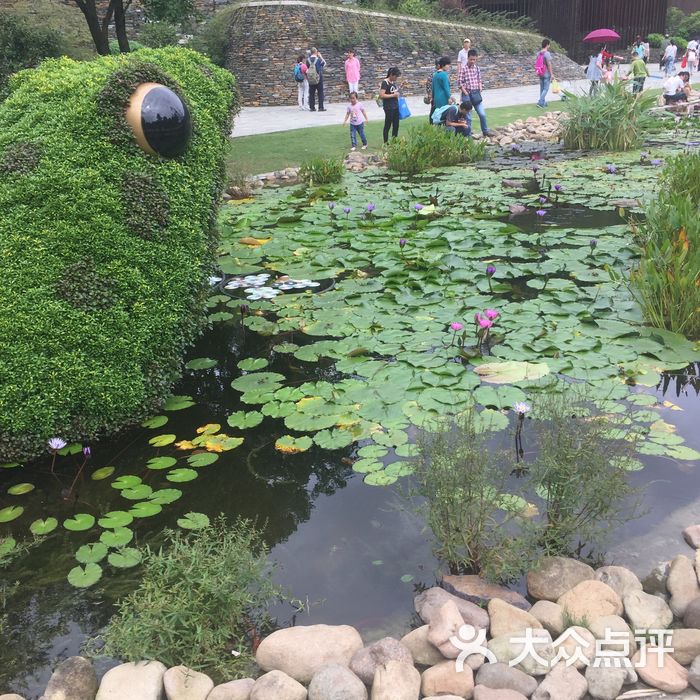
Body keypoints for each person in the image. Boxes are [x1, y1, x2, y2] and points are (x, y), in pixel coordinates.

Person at [458, 49, 492, 136]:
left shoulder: (477, 68)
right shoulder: (463, 69)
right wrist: (465, 92)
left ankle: (485, 131)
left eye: (474, 59)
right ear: (468, 58)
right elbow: (459, 82)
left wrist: (480, 87)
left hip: (476, 94)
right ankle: (468, 134)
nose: (473, 61)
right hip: (467, 95)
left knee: (482, 114)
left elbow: (479, 80)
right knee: (468, 117)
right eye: (471, 59)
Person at [380, 67, 401, 143]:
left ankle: (394, 142)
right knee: (388, 125)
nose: (396, 78)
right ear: (391, 75)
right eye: (396, 76)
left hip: (395, 106)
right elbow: (382, 95)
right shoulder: (385, 82)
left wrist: (401, 87)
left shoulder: (392, 82)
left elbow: (393, 91)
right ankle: (385, 143)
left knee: (396, 125)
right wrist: (393, 96)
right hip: (389, 107)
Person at [535, 38, 555, 108]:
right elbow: (549, 65)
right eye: (549, 44)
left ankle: (543, 103)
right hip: (546, 73)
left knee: (542, 88)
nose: (549, 46)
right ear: (547, 45)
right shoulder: (547, 53)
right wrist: (552, 74)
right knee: (546, 89)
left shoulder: (538, 53)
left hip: (540, 73)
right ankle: (540, 102)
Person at [431, 56, 452, 121]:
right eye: (448, 65)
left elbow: (433, 88)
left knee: (438, 115)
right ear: (443, 65)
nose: (449, 66)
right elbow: (446, 88)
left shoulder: (435, 75)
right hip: (443, 97)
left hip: (436, 98)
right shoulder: (444, 75)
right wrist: (449, 97)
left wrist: (433, 98)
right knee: (445, 116)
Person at [307, 47, 327, 112]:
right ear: (316, 52)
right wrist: (320, 56)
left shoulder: (308, 60)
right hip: (319, 78)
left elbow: (307, 69)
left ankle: (312, 107)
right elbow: (324, 64)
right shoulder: (318, 59)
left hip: (311, 78)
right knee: (320, 93)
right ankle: (321, 107)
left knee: (311, 93)